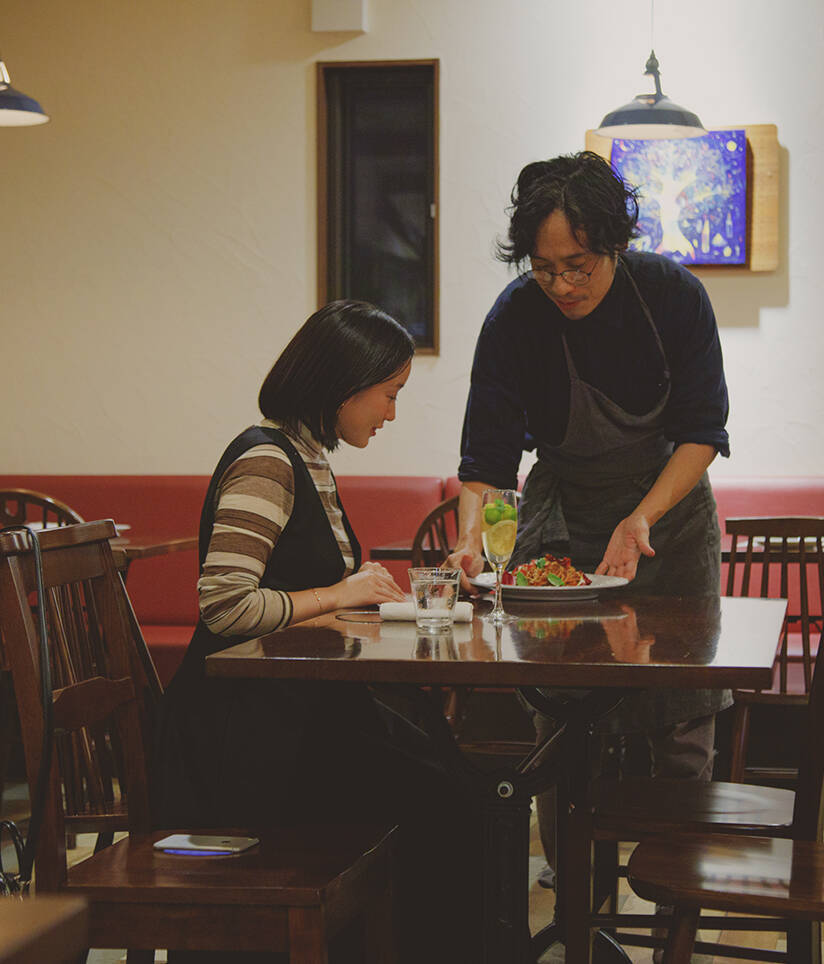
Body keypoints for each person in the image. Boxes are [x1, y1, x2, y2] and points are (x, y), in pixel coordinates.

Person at [154, 300, 480, 963]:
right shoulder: (266, 461)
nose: (391, 413)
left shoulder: (308, 459)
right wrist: (340, 593)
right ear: (344, 385)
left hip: (286, 712)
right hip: (243, 736)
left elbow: (296, 597)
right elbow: (225, 607)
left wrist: (349, 597)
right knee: (445, 802)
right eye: (389, 394)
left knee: (448, 775)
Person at [445, 151, 732, 883]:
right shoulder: (515, 318)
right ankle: (574, 882)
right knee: (562, 706)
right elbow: (487, 459)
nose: (563, 286)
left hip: (667, 520)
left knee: (680, 707)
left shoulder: (671, 296)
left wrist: (641, 517)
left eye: (579, 266)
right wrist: (471, 539)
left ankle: (678, 882)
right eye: (544, 270)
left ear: (615, 243)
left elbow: (703, 431)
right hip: (563, 519)